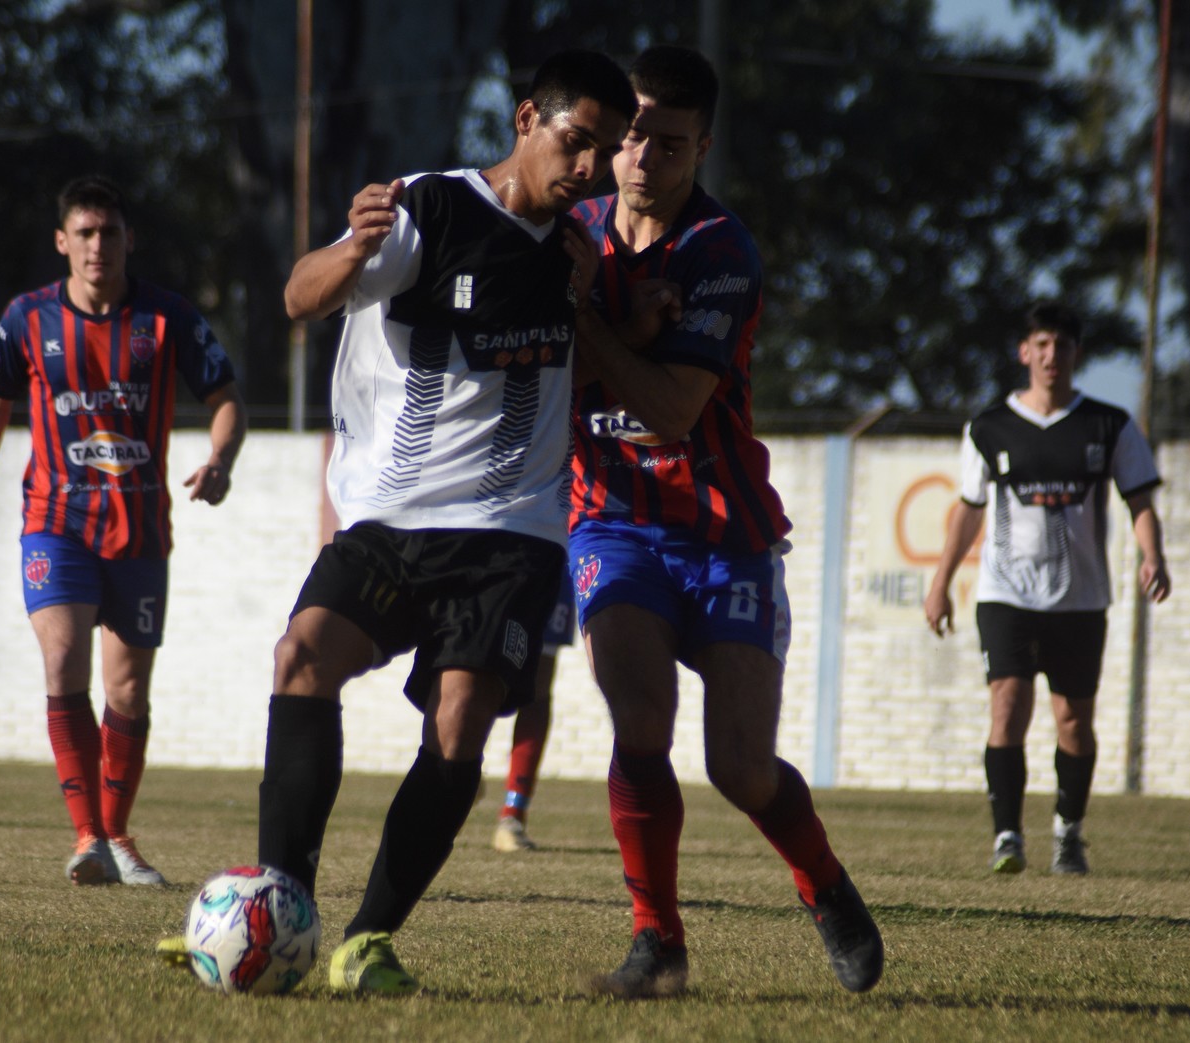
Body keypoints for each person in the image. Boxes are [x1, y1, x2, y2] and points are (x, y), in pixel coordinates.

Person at [253, 51, 637, 995]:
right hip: (389, 515)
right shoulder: (430, 207)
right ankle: (281, 909)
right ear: (524, 121)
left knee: (459, 719)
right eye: (573, 141)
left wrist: (606, 308)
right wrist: (349, 245)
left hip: (511, 531)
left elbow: (582, 370)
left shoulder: (583, 252)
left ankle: (367, 938)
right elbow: (301, 299)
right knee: (302, 656)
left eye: (602, 151)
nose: (585, 168)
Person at [566, 45, 884, 998]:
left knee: (739, 766)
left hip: (723, 531)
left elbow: (669, 409)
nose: (640, 160)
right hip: (610, 521)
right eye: (630, 137)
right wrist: (617, 329)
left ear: (700, 147)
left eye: (667, 144)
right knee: (640, 724)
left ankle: (823, 884)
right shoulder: (566, 233)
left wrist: (586, 329)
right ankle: (657, 940)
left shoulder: (719, 252)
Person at [0, 174, 247, 887]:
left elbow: (227, 397)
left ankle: (116, 833)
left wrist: (220, 458)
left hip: (139, 527)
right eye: (83, 233)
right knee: (61, 659)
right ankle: (87, 837)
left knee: (129, 692)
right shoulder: (27, 320)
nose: (97, 246)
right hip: (56, 522)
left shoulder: (168, 319)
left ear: (128, 239)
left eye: (109, 232)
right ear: (61, 242)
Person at [923, 300, 1170, 876]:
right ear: (1025, 352)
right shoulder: (988, 427)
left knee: (1072, 721)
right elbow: (968, 509)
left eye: (1062, 345)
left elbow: (1140, 500)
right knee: (1007, 707)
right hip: (1005, 595)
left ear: (1075, 353)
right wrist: (940, 582)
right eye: (1041, 344)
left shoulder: (1110, 425)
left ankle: (1069, 833)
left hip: (1080, 600)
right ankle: (1007, 836)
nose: (1051, 355)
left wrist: (1153, 556)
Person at [490, 588, 575, 853]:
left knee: (538, 689)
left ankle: (513, 815)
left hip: (555, 554)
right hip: (495, 554)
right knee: (478, 672)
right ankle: (457, 771)